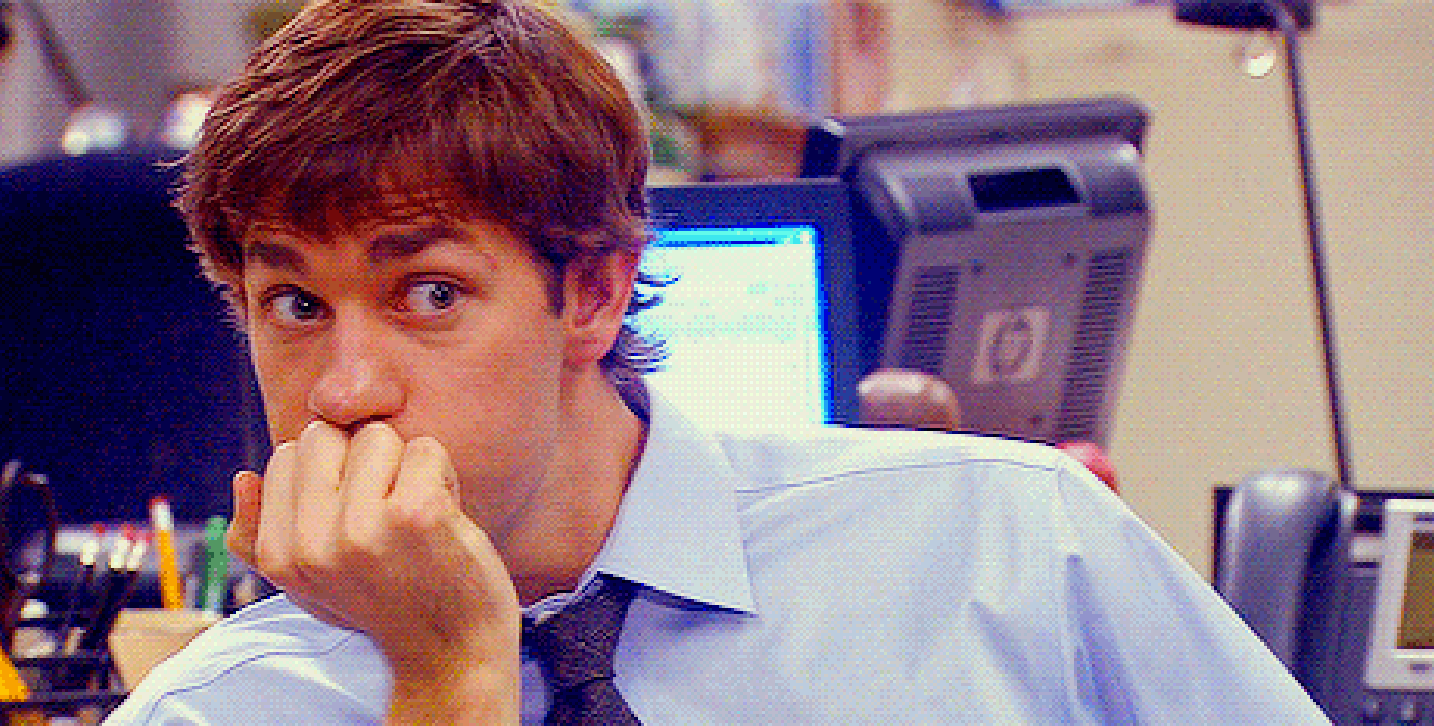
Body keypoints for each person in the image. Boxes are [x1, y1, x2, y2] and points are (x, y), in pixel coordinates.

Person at [107, 0, 1330, 723]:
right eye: (293, 303)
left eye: (428, 293)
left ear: (591, 292)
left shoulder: (1007, 550)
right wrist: (443, 679)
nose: (345, 390)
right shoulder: (221, 709)